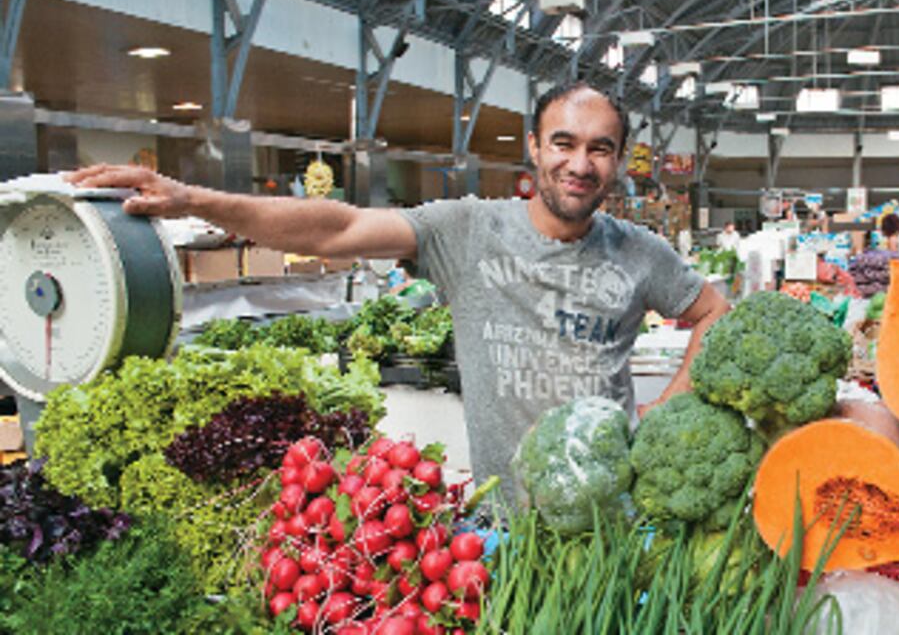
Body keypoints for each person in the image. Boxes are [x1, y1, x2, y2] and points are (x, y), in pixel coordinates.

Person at [64, 81, 731, 497]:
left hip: (610, 512)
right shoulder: (467, 229)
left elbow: (714, 313)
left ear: (618, 160)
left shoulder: (641, 253)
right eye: (564, 143)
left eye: (601, 148)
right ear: (533, 148)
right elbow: (339, 227)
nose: (580, 164)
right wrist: (193, 199)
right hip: (501, 515)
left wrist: (666, 407)